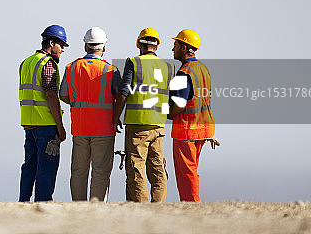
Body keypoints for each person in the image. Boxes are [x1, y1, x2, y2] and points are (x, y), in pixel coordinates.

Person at [112, 28, 174, 202]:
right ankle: (158, 206)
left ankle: (142, 209)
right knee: (158, 169)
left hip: (137, 125)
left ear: (139, 44)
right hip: (159, 126)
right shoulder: (169, 67)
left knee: (136, 169)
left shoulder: (133, 62)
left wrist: (116, 116)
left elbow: (123, 92)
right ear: (157, 46)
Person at [59, 27, 121, 201]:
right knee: (101, 171)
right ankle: (97, 206)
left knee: (79, 170)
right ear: (103, 48)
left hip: (80, 128)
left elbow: (63, 95)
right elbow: (120, 96)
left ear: (86, 46)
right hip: (103, 129)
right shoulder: (111, 70)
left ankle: (79, 205)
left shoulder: (71, 67)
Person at [19, 24, 68, 202]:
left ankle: (23, 202)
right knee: (47, 167)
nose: (62, 50)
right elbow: (50, 95)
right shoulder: (49, 64)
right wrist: (60, 126)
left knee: (29, 167)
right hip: (46, 126)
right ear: (51, 42)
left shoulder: (26, 62)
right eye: (61, 45)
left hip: (29, 124)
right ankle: (43, 203)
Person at [168, 29, 217, 202]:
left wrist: (166, 114)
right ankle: (192, 203)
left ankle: (191, 205)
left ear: (184, 47)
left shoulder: (184, 72)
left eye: (175, 45)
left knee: (186, 172)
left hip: (187, 130)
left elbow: (179, 104)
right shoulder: (203, 69)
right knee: (192, 169)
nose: (172, 49)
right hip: (203, 128)